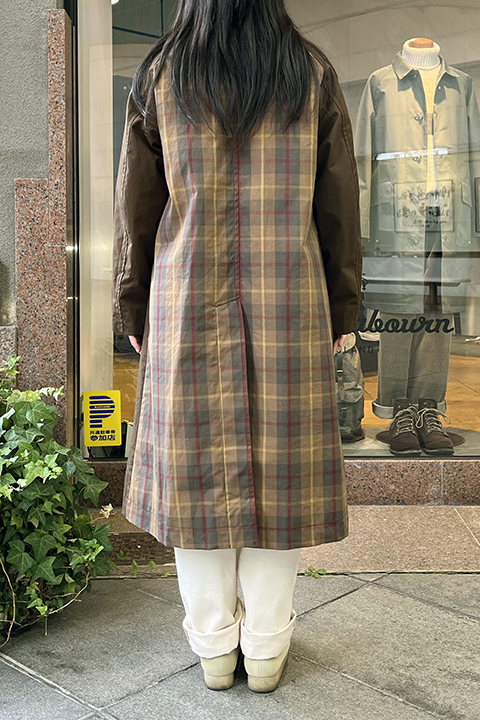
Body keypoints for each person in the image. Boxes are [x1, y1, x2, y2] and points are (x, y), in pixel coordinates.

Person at [112, 0, 362, 694]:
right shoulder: (309, 72)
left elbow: (137, 207)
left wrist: (133, 301)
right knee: (281, 477)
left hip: (184, 298)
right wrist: (343, 303)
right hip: (292, 298)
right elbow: (338, 200)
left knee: (195, 477)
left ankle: (215, 650)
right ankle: (268, 648)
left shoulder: (162, 73)